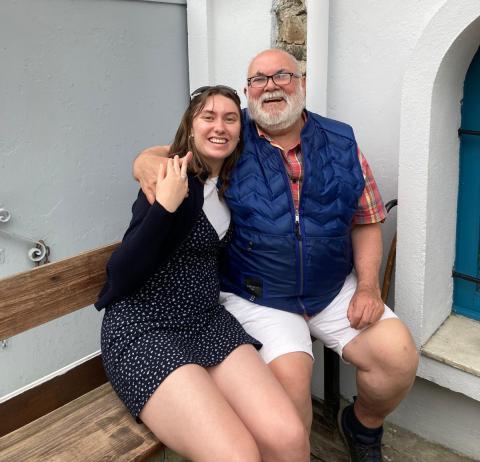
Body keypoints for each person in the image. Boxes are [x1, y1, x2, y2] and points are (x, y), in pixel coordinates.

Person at [134, 49, 419, 462]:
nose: (270, 86)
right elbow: (172, 150)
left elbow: (367, 218)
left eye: (281, 75)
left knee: (398, 358)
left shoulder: (341, 140)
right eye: (258, 79)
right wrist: (142, 160)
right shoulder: (232, 136)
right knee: (289, 393)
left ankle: (362, 426)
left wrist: (369, 287)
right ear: (248, 90)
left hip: (332, 288)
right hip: (260, 295)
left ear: (301, 81)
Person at [96, 85, 310, 462]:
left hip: (205, 321)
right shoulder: (171, 178)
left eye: (230, 118)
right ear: (190, 127)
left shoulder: (233, 182)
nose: (219, 126)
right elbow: (121, 274)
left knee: (289, 436)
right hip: (145, 328)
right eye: (208, 117)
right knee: (238, 453)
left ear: (241, 131)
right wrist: (165, 206)